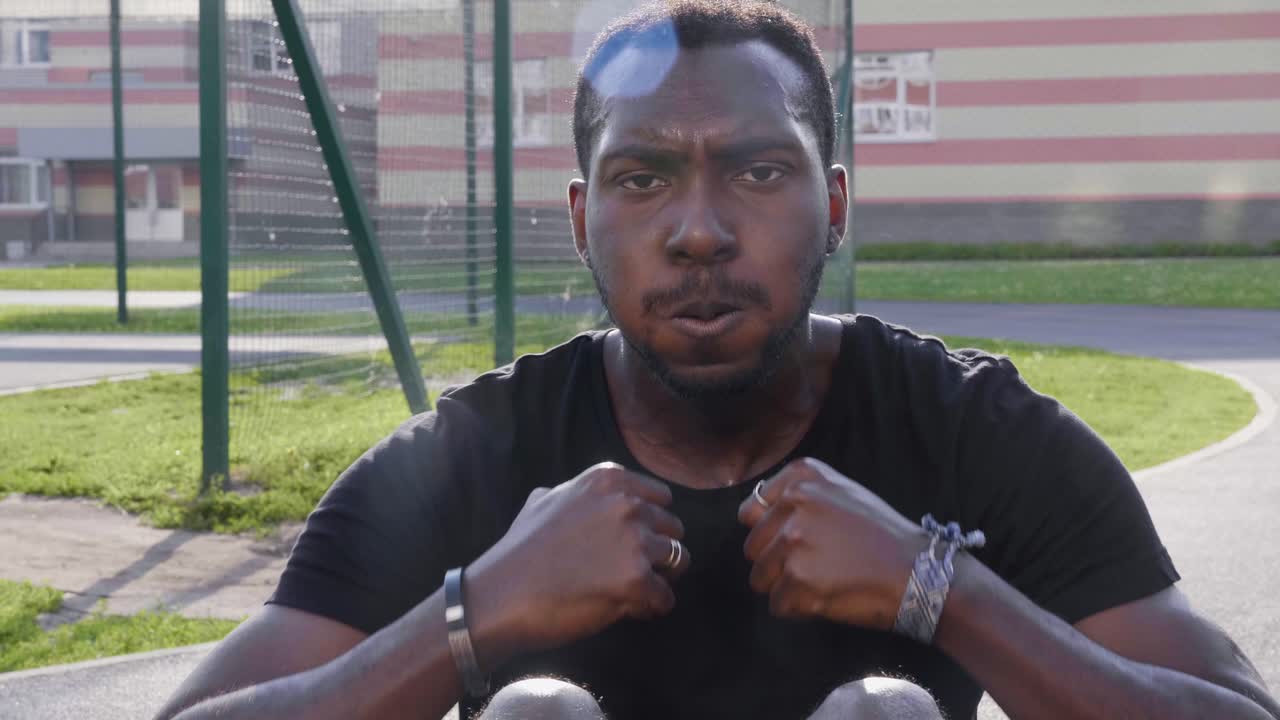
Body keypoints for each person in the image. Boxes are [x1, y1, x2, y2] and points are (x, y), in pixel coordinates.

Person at [156, 2, 1279, 719]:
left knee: (882, 714)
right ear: (583, 215)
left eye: (754, 171)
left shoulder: (969, 429)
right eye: (643, 179)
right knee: (533, 714)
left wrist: (945, 591)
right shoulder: (469, 454)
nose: (697, 230)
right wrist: (475, 612)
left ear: (831, 203)